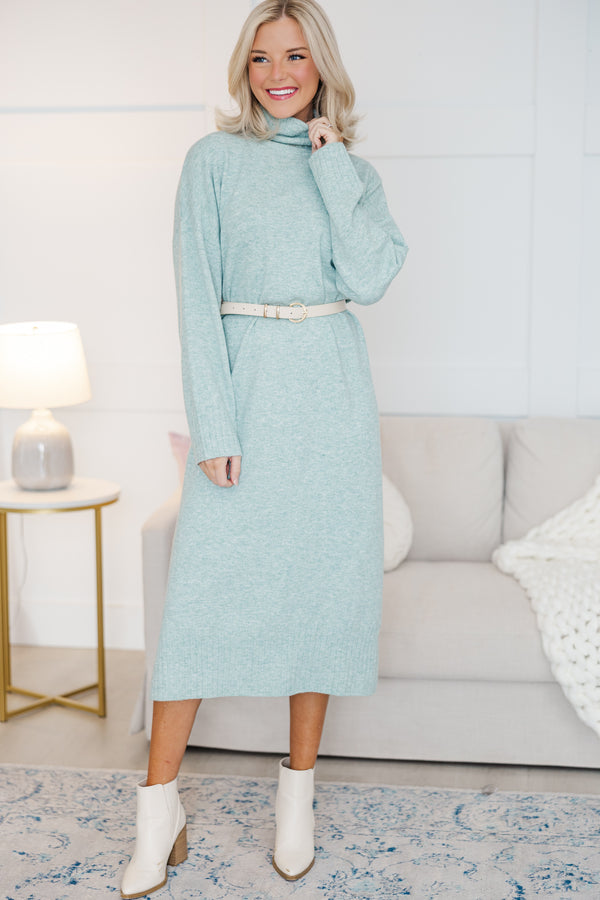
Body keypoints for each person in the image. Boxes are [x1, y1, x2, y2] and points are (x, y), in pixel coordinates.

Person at [120, 1, 408, 896]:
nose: (278, 74)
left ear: (323, 66)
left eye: (295, 56)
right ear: (243, 70)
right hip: (246, 393)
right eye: (261, 58)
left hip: (332, 398)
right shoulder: (212, 161)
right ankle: (157, 810)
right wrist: (215, 424)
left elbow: (370, 277)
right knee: (198, 611)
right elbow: (194, 294)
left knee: (315, 602)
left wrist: (331, 165)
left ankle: (297, 802)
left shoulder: (351, 171)